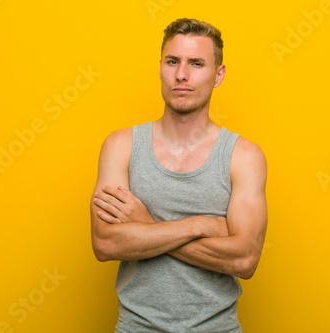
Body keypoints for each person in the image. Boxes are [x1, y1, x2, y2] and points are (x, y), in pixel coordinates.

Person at [90, 18, 268, 333]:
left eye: (196, 63)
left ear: (218, 74)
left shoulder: (244, 156)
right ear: (161, 67)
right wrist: (199, 225)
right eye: (173, 61)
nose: (181, 75)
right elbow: (105, 243)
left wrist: (145, 226)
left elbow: (244, 261)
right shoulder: (121, 146)